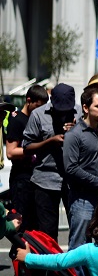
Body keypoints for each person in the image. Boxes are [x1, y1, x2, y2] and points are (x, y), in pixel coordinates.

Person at [62, 87, 98, 251]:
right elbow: (71, 168)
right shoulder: (74, 135)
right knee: (79, 248)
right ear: (85, 108)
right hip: (82, 200)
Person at [22, 83, 77, 240]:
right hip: (45, 181)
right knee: (47, 232)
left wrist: (75, 132)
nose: (63, 113)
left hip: (72, 180)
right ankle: (48, 263)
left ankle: (75, 264)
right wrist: (49, 141)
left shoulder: (80, 112)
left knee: (78, 229)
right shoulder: (38, 115)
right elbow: (26, 147)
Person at [5, 85, 49, 221]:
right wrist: (37, 147)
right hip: (21, 180)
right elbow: (10, 152)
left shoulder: (38, 120)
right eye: (38, 106)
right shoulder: (17, 120)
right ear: (28, 100)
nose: (41, 111)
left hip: (36, 178)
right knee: (21, 225)